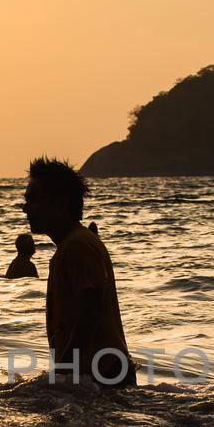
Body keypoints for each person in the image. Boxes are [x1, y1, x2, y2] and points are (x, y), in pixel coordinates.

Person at [21, 156, 134, 386]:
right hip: (99, 372)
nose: (25, 208)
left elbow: (91, 305)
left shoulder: (77, 246)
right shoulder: (73, 244)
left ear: (60, 202)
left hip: (102, 374)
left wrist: (64, 367)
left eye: (33, 199)